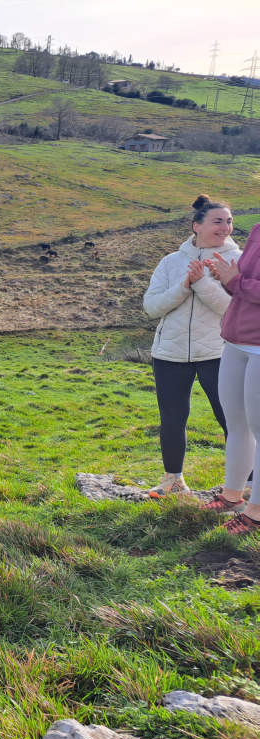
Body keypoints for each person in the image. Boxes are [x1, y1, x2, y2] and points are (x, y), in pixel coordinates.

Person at [142, 195, 241, 497]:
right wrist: (185, 285)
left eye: (229, 221)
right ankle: (173, 480)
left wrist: (202, 283)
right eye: (217, 221)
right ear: (196, 225)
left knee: (233, 420)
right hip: (170, 353)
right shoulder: (171, 262)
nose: (225, 227)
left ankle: (246, 486)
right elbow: (152, 307)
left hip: (219, 352)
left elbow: (233, 310)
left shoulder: (237, 261)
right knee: (172, 419)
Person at [204, 218, 260, 533]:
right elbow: (241, 282)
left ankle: (255, 514)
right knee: (237, 424)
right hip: (236, 339)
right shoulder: (257, 229)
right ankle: (232, 496)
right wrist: (226, 278)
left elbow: (244, 283)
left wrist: (236, 281)